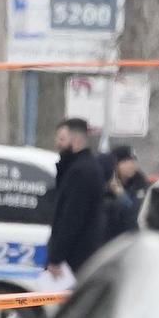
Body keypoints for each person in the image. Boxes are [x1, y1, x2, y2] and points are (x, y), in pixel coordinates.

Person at [47, 118, 105, 280]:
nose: (57, 143)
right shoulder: (80, 168)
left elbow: (71, 218)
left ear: (76, 140)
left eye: (62, 139)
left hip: (75, 260)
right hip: (80, 257)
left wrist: (56, 257)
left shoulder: (80, 172)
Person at [98, 153, 138, 243]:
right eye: (126, 161)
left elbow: (134, 212)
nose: (131, 165)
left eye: (133, 161)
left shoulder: (138, 184)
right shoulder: (104, 195)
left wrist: (121, 195)